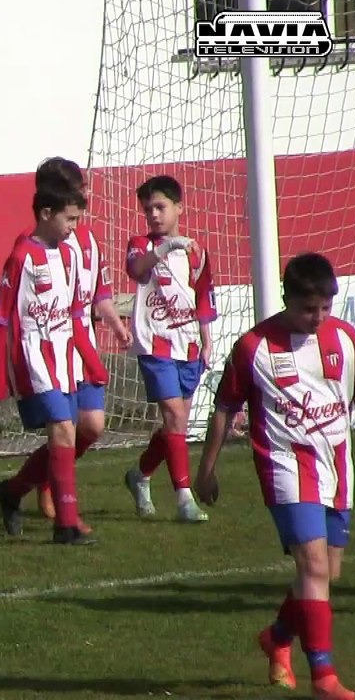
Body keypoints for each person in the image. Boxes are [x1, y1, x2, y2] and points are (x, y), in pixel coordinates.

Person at [194, 252, 355, 700]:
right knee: (314, 565)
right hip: (286, 467)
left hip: (337, 467)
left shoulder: (344, 339)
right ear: (286, 299)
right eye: (308, 309)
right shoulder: (253, 347)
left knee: (327, 573)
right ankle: (323, 677)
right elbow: (224, 407)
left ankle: (279, 637)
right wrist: (206, 469)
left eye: (325, 307)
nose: (318, 317)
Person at [0, 182, 107, 545]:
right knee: (63, 428)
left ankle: (13, 491)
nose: (74, 226)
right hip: (34, 358)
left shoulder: (69, 256)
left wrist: (90, 360)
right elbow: (1, 316)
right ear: (45, 214)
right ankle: (66, 525)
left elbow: (74, 314)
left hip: (67, 358)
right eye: (69, 219)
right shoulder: (22, 257)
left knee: (73, 431)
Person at [28, 158, 132, 531]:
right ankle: (59, 500)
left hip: (83, 347)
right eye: (76, 191)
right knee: (66, 427)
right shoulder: (33, 250)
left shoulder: (87, 239)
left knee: (93, 427)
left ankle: (29, 481)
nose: (83, 196)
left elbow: (98, 292)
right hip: (53, 353)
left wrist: (116, 323)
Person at [122, 175, 215, 524]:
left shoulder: (197, 251)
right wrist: (166, 246)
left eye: (160, 207)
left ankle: (140, 475)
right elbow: (136, 268)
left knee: (175, 424)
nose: (154, 215)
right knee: (174, 416)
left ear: (179, 207)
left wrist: (207, 339)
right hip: (154, 343)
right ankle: (184, 499)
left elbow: (203, 297)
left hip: (187, 343)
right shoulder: (140, 245)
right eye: (148, 210)